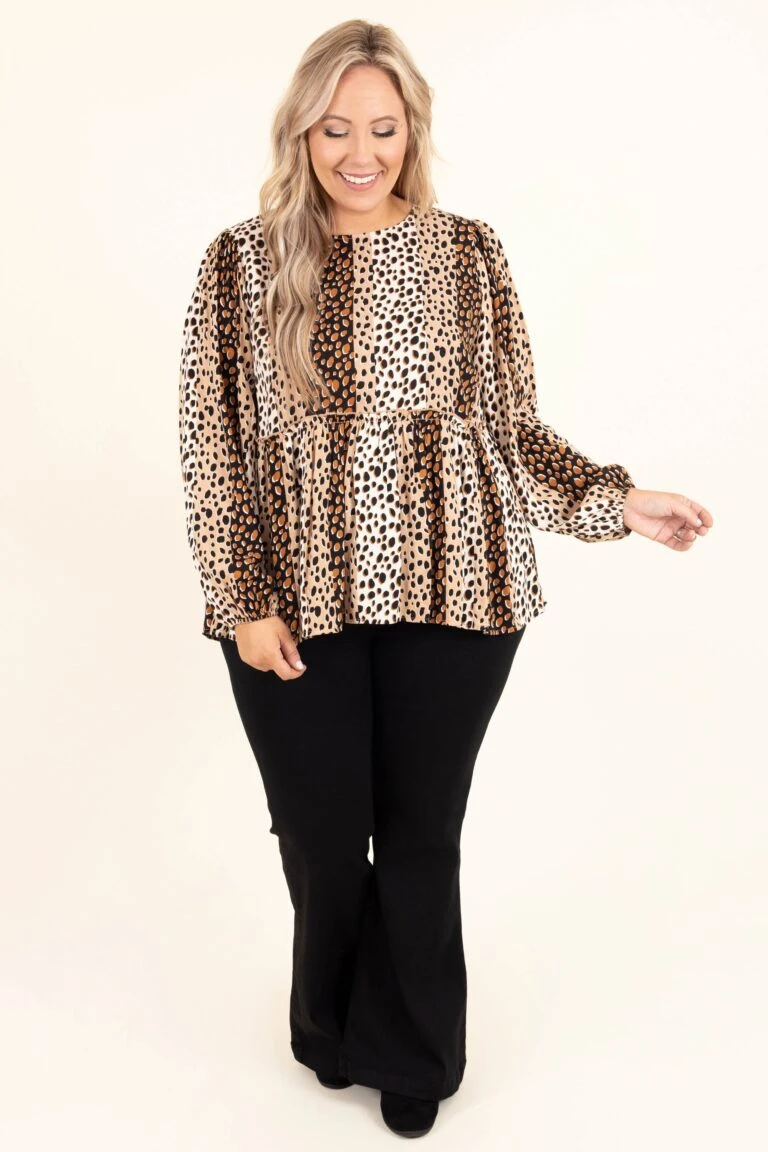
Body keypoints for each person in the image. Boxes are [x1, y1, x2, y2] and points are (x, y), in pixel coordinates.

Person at [177, 19, 713, 1139]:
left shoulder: (470, 253)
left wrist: (617, 501)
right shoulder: (239, 263)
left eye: (384, 127)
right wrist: (243, 599)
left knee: (421, 835)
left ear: (412, 131)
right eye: (336, 128)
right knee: (321, 836)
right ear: (301, 132)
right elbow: (212, 447)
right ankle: (328, 1024)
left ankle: (415, 1050)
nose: (360, 152)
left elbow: (510, 431)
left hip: (461, 586)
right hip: (298, 595)